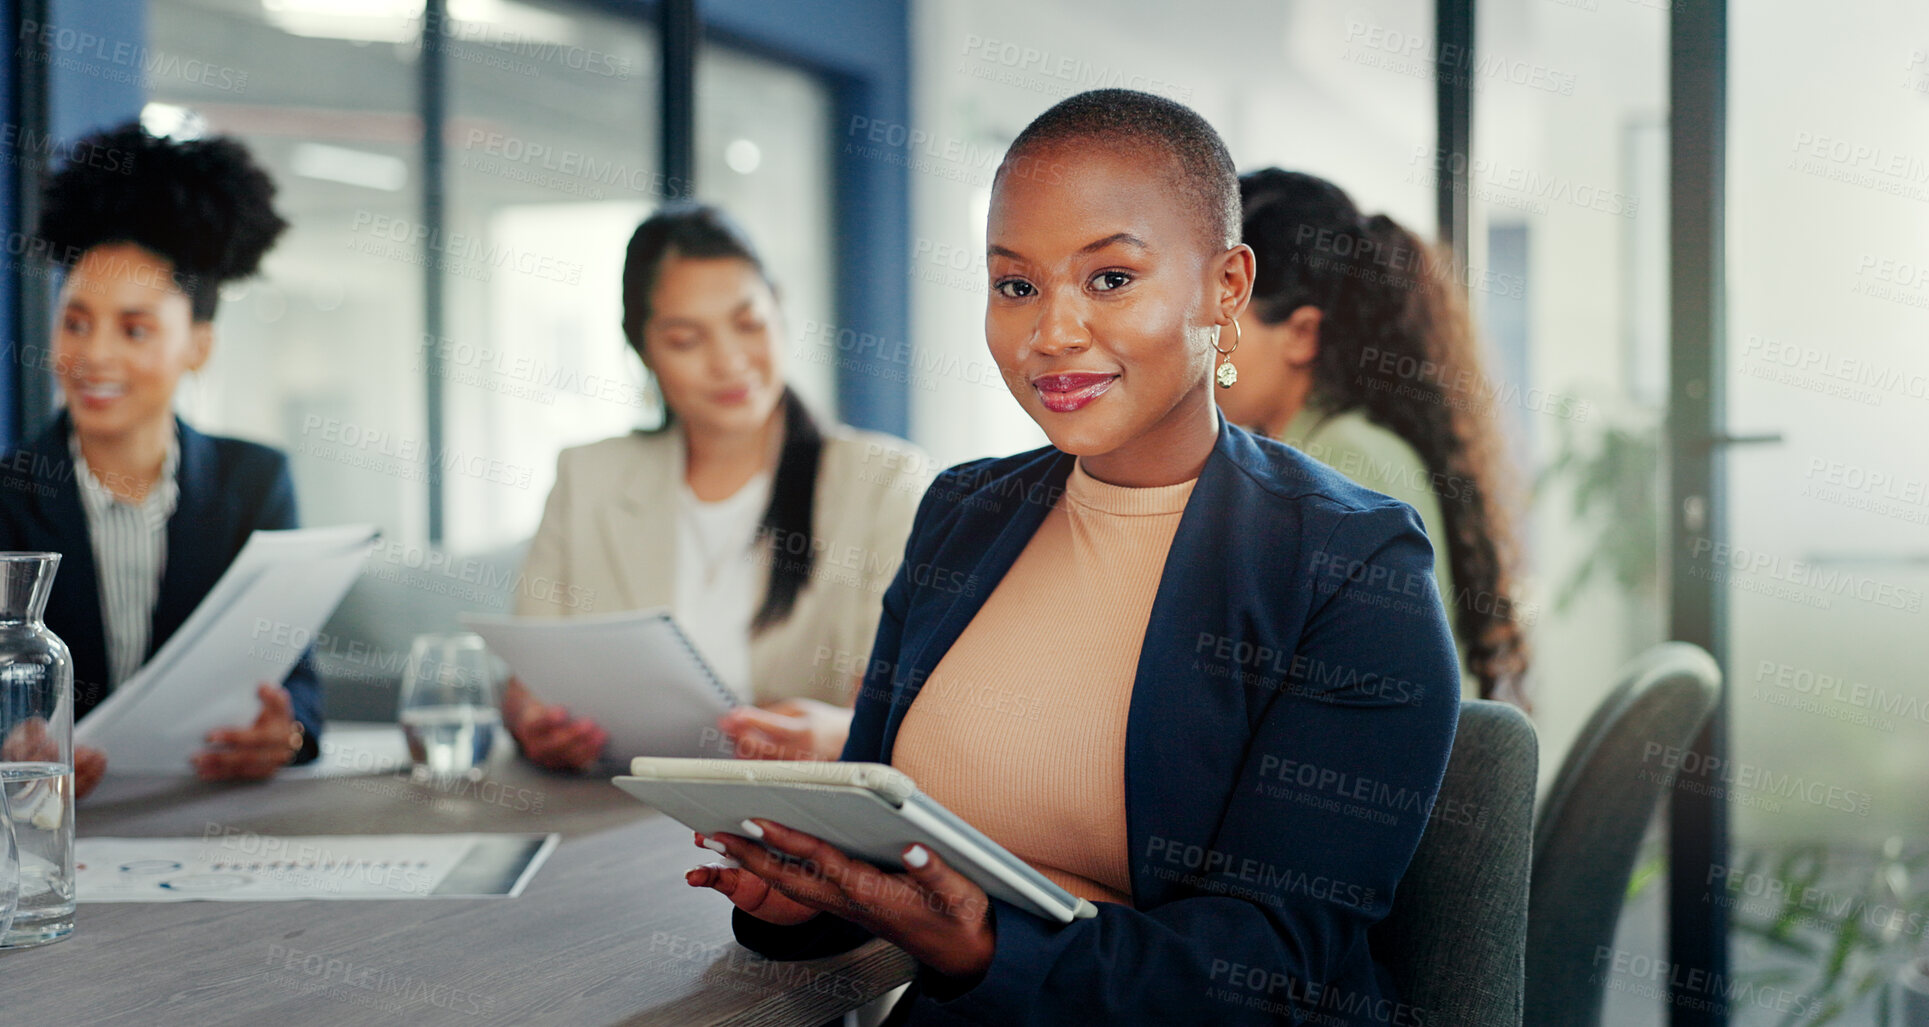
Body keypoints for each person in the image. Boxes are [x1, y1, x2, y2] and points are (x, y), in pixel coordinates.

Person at [686, 90, 1460, 1025]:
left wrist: (987, 945)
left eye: (1110, 279)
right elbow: (880, 830)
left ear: (1227, 287)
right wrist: (807, 902)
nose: (1050, 332)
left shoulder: (1349, 560)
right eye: (1016, 285)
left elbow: (1277, 962)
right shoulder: (963, 511)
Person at [503, 204, 931, 771]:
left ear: (779, 314)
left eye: (749, 324)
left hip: (792, 816)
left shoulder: (883, 482)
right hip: (618, 802)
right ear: (642, 349)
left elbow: (910, 701)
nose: (729, 361)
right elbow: (527, 678)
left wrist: (841, 734)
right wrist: (533, 721)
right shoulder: (588, 478)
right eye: (686, 339)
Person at [0, 121, 321, 799]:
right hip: (48, 836)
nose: (94, 356)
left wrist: (283, 732)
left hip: (208, 819)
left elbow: (297, 682)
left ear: (198, 344)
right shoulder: (8, 494)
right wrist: (11, 745)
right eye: (76, 320)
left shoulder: (256, 484)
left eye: (134, 328)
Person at [1217, 169, 1529, 706]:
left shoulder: (1342, 462)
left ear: (1301, 334)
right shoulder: (1338, 446)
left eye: (1222, 322)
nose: (1200, 350)